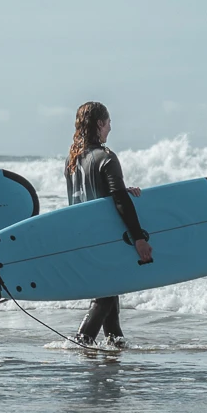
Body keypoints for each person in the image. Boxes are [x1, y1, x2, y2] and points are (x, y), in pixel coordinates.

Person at [64, 101, 152, 348]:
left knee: (110, 292)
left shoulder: (72, 161)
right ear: (100, 123)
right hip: (105, 237)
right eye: (109, 122)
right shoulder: (106, 157)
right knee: (105, 295)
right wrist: (139, 238)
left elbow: (87, 198)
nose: (111, 127)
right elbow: (119, 200)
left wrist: (120, 189)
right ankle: (82, 342)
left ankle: (115, 344)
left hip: (82, 237)